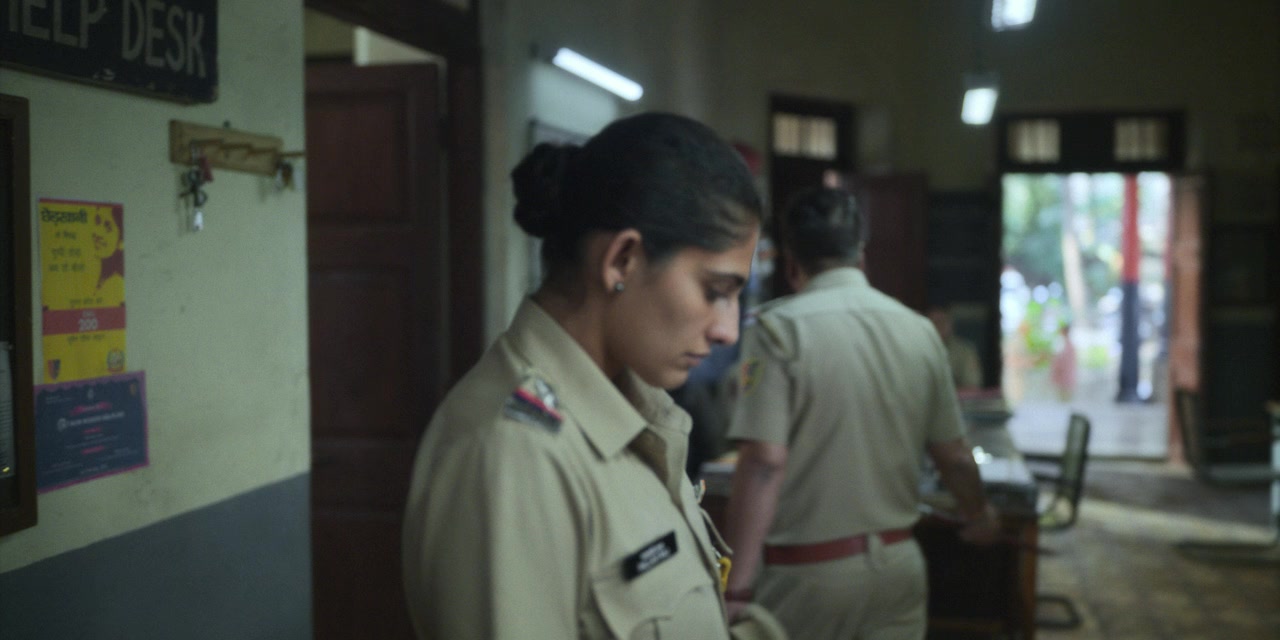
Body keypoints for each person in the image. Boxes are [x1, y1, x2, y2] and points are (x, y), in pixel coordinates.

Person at [401, 112, 785, 640]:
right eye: (715, 292)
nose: (727, 330)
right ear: (622, 260)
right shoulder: (513, 455)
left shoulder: (637, 411)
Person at [720, 187, 1000, 639]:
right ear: (861, 257)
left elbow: (764, 464)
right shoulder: (920, 332)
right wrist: (979, 514)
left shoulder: (777, 331)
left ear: (791, 264)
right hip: (899, 568)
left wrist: (734, 587)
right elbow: (954, 456)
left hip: (806, 577)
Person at [927, 305, 983, 391]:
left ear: (950, 324)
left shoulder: (965, 351)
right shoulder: (920, 349)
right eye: (934, 323)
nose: (938, 326)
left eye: (942, 322)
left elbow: (973, 387)